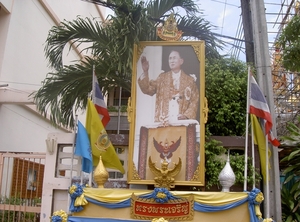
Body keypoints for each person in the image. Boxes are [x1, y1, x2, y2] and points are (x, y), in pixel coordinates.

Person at [138, 50, 199, 123]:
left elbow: (195, 100)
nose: (171, 61)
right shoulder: (162, 78)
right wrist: (145, 72)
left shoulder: (189, 80)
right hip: (164, 120)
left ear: (181, 61)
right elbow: (147, 89)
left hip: (181, 121)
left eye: (174, 58)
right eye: (170, 58)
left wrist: (186, 115)